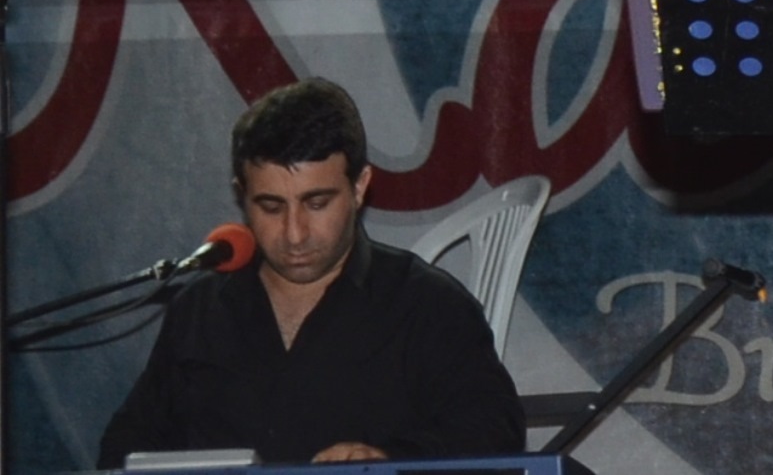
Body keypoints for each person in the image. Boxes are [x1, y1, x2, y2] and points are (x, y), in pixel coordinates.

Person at [99, 79, 525, 467]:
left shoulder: (427, 306)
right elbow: (124, 447)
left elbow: (494, 435)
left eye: (317, 203)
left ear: (359, 186)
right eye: (270, 207)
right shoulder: (200, 310)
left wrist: (388, 462)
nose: (294, 233)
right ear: (241, 195)